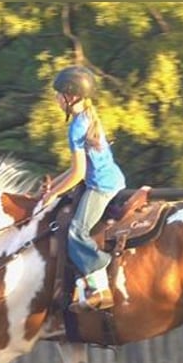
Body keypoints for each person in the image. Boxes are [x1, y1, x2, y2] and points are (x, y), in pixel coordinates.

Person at [41, 65, 126, 312]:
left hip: (101, 187)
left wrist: (54, 194)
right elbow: (74, 170)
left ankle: (100, 286)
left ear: (71, 96)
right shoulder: (88, 118)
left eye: (58, 94)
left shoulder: (77, 127)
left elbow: (79, 174)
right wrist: (51, 189)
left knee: (76, 232)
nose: (56, 98)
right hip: (111, 180)